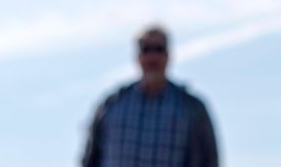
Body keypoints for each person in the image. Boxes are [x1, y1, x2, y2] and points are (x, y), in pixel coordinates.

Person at [81, 25, 218, 167]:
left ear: (168, 55)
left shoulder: (191, 109)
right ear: (138, 56)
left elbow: (209, 161)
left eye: (158, 49)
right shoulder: (111, 106)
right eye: (146, 49)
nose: (153, 57)